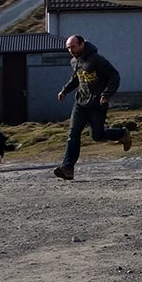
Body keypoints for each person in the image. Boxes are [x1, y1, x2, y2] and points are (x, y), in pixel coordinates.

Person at [54, 34, 131, 181]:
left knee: (97, 136)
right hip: (80, 103)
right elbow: (76, 79)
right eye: (68, 48)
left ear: (82, 44)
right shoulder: (74, 61)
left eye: (73, 47)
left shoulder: (97, 60)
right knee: (73, 134)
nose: (70, 50)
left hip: (97, 104)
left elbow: (114, 75)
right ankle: (68, 168)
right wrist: (64, 91)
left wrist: (107, 94)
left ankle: (122, 133)